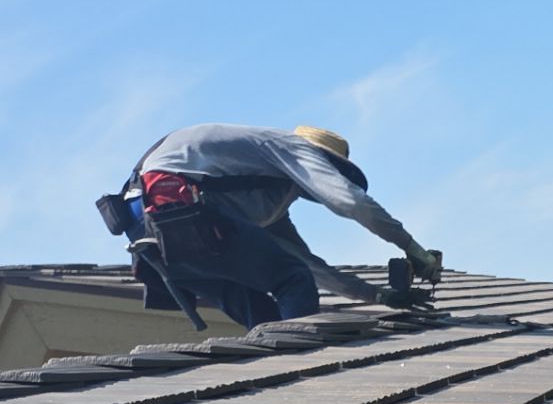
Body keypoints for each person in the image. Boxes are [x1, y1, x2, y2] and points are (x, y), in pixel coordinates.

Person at [110, 123, 443, 330]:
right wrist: (412, 248)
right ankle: (304, 367)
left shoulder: (260, 197)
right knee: (291, 280)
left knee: (264, 312)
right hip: (181, 213)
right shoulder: (291, 147)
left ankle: (275, 377)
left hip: (153, 234)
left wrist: (378, 295)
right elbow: (351, 203)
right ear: (324, 162)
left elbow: (313, 268)